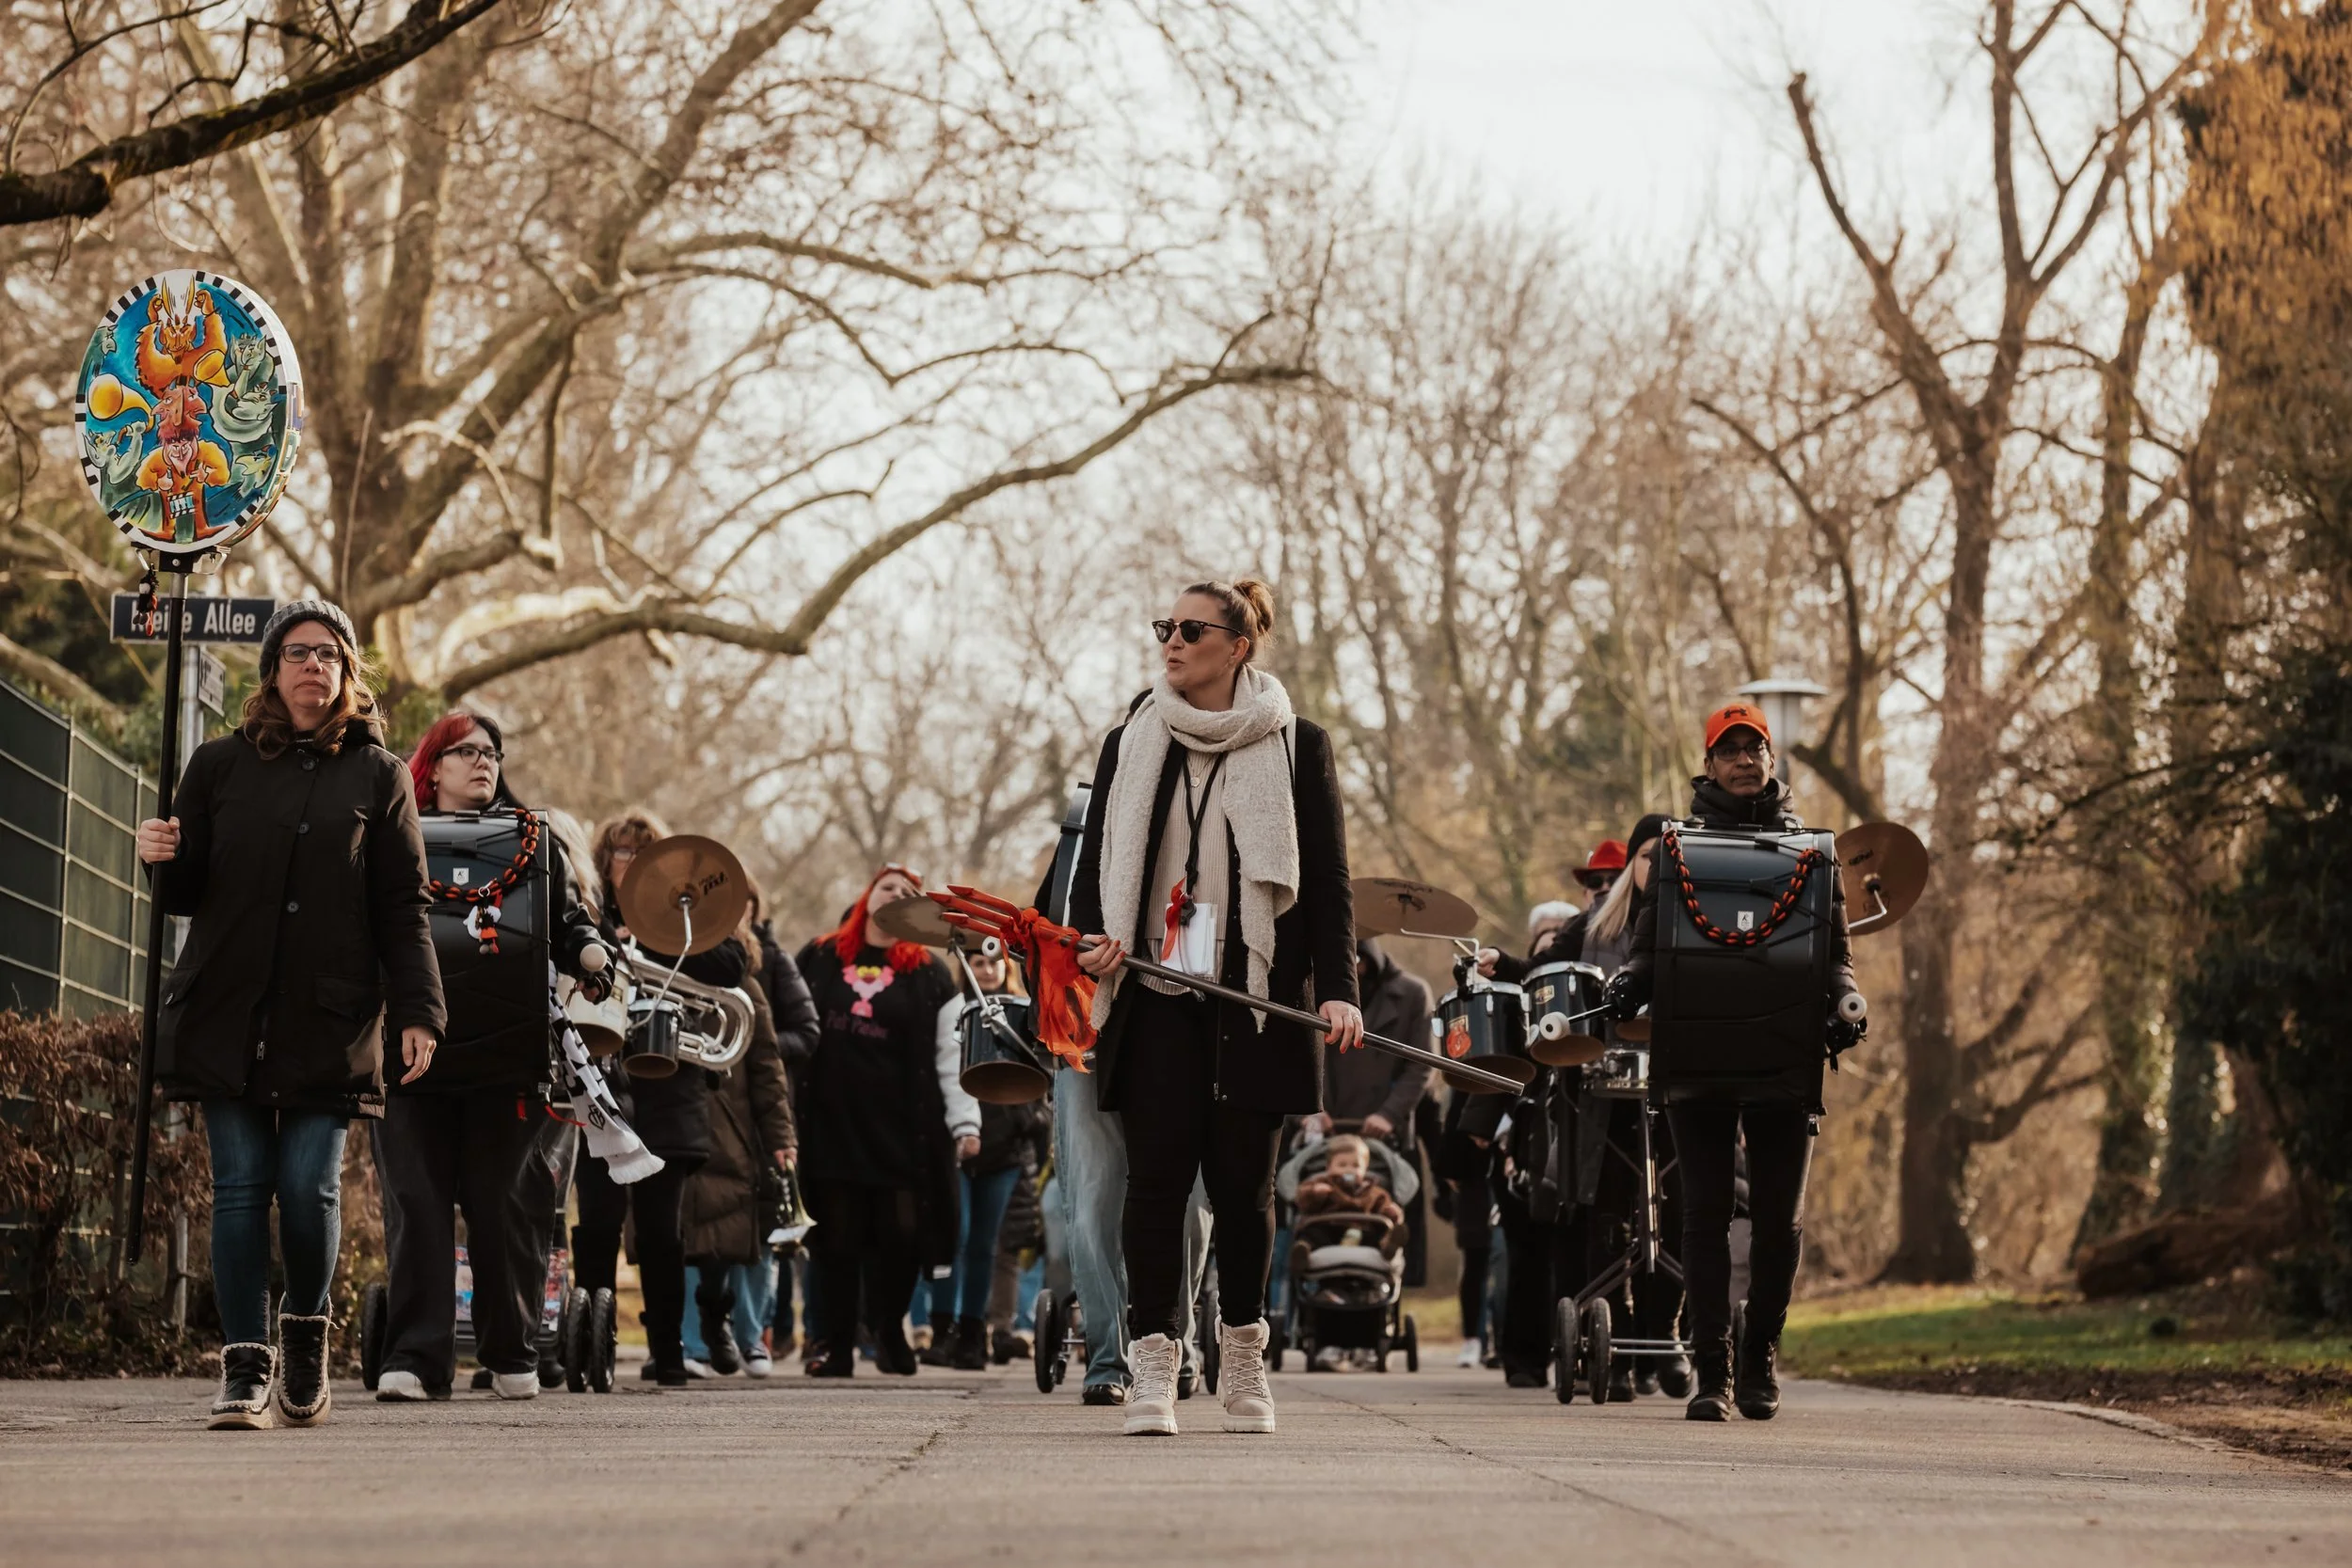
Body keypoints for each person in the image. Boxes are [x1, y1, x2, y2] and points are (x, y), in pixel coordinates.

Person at [137, 599, 444, 1429]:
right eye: (298, 653)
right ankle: (244, 1365)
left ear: (348, 676)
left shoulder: (381, 777)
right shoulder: (217, 765)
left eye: (329, 655)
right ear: (272, 669)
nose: (313, 666)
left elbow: (403, 907)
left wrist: (419, 1012)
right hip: (227, 1007)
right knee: (239, 1189)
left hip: (330, 1017)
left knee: (307, 1189)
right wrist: (160, 859)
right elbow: (186, 894)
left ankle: (305, 1334)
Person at [1070, 578, 1363, 1437]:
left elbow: (1331, 881)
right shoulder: (1133, 733)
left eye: (1191, 629)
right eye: (1165, 625)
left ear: (1238, 646)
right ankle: (1154, 1360)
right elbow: (1101, 862)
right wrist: (1093, 935)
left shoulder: (1299, 743)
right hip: (1156, 986)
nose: (1171, 641)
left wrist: (1340, 987)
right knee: (1155, 1183)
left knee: (1243, 1189)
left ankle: (1243, 1356)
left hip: (1257, 990)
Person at [1609, 702, 1863, 1421]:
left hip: (1784, 1055)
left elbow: (1836, 957)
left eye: (1757, 748)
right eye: (1731, 749)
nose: (1746, 759)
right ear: (1709, 763)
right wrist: (1630, 983)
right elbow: (1646, 948)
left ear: (1772, 761)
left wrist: (1848, 1002)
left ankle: (1761, 1358)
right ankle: (1712, 1370)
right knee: (1704, 1215)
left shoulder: (1816, 853)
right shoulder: (1674, 849)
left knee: (1781, 1221)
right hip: (1697, 1052)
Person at [373, 712, 605, 1402]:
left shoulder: (534, 840)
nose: (484, 761)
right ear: (433, 764)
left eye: (491, 752)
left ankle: (511, 1351)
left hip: (508, 1053)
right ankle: (415, 1357)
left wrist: (589, 950)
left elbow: (568, 919)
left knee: (505, 1202)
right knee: (416, 1200)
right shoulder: (391, 833)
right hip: (408, 1053)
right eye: (466, 750)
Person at [570, 810, 732, 1386]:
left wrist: (661, 940)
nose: (633, 863)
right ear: (604, 862)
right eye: (622, 852)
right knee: (598, 1223)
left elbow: (734, 964)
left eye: (646, 854)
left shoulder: (687, 919)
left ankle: (668, 1349)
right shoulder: (584, 916)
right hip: (601, 1085)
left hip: (670, 1087)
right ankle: (589, 1347)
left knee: (663, 1231)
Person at [794, 864, 960, 1378]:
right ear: (868, 897)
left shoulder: (930, 971)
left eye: (909, 892)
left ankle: (889, 1329)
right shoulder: (820, 957)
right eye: (888, 887)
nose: (897, 896)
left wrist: (961, 1124)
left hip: (904, 1129)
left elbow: (948, 1052)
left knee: (903, 1235)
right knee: (836, 1239)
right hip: (831, 1123)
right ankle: (837, 1344)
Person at [681, 901, 797, 1379]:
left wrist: (780, 1135)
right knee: (686, 1238)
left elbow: (768, 1066)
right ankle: (693, 1342)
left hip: (735, 1127)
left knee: (741, 1239)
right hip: (682, 1120)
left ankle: (749, 1338)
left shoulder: (746, 985)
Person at [925, 944, 1049, 1369]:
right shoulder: (955, 1010)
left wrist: (1026, 1121)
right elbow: (947, 1071)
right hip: (959, 1146)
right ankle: (944, 1329)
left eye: (994, 961)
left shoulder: (1023, 1011)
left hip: (1005, 1149)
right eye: (978, 962)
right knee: (952, 1238)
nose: (988, 969)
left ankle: (974, 1331)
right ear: (967, 968)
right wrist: (963, 1129)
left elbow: (1039, 1074)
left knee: (986, 1245)